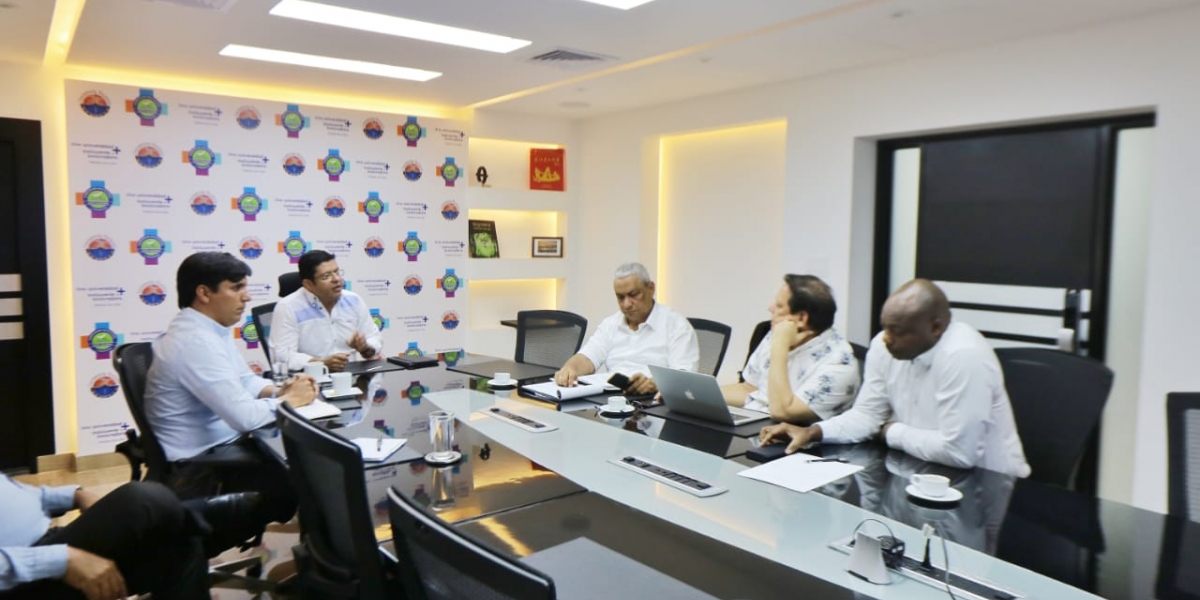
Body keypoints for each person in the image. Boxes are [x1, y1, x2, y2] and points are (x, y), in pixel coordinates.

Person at [759, 279, 1030, 477]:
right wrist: (812, 432)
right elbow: (867, 415)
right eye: (884, 327)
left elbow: (959, 453)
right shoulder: (884, 345)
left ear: (936, 328)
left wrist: (890, 431)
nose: (886, 338)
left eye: (897, 331)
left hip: (990, 484)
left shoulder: (963, 354)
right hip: (920, 470)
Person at [145, 251, 318, 525]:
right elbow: (245, 417)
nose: (247, 297)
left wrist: (280, 391)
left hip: (220, 450)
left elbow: (245, 380)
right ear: (204, 293)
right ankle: (325, 560)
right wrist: (291, 402)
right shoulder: (195, 342)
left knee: (305, 465)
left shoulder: (207, 330)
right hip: (202, 471)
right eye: (236, 288)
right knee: (312, 479)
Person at [0, 477, 208, 599]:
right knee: (140, 500)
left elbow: (20, 494)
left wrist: (76, 495)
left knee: (179, 546)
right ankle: (220, 515)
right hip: (19, 577)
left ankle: (206, 518)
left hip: (45, 546)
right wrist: (62, 559)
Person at [722, 275, 859, 424]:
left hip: (792, 440)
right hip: (754, 423)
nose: (770, 308)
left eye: (779, 306)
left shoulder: (840, 365)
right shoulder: (777, 332)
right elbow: (749, 389)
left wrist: (780, 347)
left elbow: (782, 412)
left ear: (801, 319)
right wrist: (698, 398)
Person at [555, 262, 699, 395]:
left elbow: (684, 376)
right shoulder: (611, 324)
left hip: (655, 403)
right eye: (620, 297)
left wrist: (657, 384)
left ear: (651, 288)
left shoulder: (676, 325)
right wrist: (570, 369)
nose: (626, 304)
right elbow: (587, 357)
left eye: (633, 295)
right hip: (613, 400)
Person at [270, 250, 383, 372]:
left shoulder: (354, 300)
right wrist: (322, 363)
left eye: (336, 272)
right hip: (308, 381)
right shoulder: (288, 307)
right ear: (308, 284)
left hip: (350, 378)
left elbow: (374, 337)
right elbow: (282, 356)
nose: (336, 279)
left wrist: (365, 348)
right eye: (326, 276)